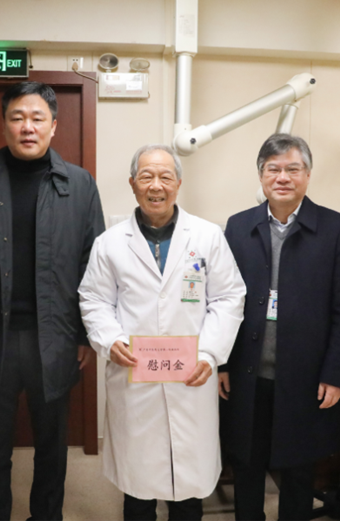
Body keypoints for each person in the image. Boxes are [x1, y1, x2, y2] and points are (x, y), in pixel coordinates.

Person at [0, 81, 105, 521]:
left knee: (52, 447)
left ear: (54, 125)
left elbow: (94, 266)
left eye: (37, 118)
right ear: (4, 125)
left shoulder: (79, 184)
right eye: (17, 118)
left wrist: (86, 334)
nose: (27, 127)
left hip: (55, 338)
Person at [78, 144, 246, 521]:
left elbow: (229, 297)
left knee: (188, 485)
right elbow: (93, 299)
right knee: (138, 484)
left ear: (178, 184)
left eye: (165, 177)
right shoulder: (109, 243)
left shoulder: (207, 236)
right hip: (135, 378)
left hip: (191, 374)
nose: (156, 186)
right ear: (132, 184)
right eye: (147, 177)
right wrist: (110, 339)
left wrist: (209, 353)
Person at [219, 134, 340, 520]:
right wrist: (221, 363)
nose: (282, 177)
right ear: (261, 175)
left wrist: (336, 374)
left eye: (292, 169)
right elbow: (220, 302)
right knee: (246, 461)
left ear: (308, 175)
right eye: (273, 169)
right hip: (247, 372)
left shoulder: (335, 228)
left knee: (299, 468)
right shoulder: (238, 226)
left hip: (306, 374)